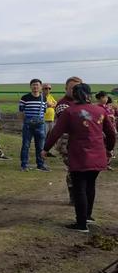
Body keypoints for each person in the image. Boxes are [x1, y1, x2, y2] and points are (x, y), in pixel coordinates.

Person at [42, 84, 116, 232]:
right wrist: (108, 148)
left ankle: (81, 224)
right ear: (89, 94)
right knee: (90, 185)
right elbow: (111, 133)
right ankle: (88, 216)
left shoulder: (70, 112)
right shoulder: (100, 110)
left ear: (74, 95)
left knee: (79, 188)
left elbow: (55, 132)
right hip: (97, 154)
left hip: (79, 155)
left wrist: (45, 149)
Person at [55, 76, 83, 203]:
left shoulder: (81, 103)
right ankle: (74, 196)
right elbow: (67, 122)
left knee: (79, 168)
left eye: (77, 88)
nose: (75, 91)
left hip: (80, 140)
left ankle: (79, 195)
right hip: (66, 141)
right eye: (72, 88)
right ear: (66, 89)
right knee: (73, 168)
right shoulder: (62, 104)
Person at [18, 79, 49, 171]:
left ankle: (40, 165)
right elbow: (21, 112)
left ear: (40, 87)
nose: (35, 87)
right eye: (33, 85)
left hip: (40, 125)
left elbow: (44, 112)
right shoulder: (24, 98)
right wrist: (23, 123)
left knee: (40, 146)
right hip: (28, 125)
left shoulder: (44, 98)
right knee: (26, 145)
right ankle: (24, 165)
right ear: (30, 86)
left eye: (37, 85)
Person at [42, 83, 57, 156]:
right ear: (42, 89)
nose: (48, 90)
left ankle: (48, 151)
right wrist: (51, 105)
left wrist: (51, 105)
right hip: (44, 120)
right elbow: (48, 104)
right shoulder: (41, 96)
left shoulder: (50, 96)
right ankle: (42, 151)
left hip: (51, 120)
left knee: (50, 137)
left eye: (49, 88)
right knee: (43, 136)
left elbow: (55, 104)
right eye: (46, 88)